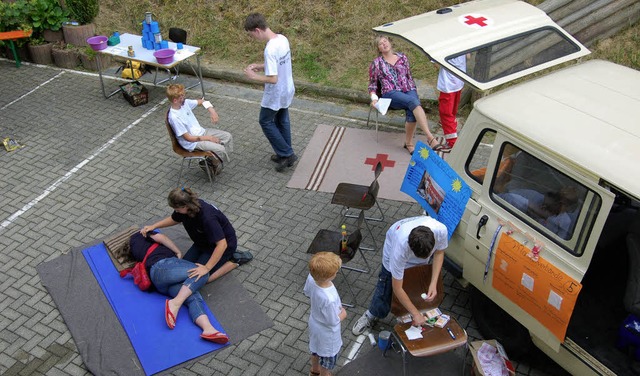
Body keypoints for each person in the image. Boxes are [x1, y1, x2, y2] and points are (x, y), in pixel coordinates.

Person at [127, 230, 229, 343]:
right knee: (203, 272)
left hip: (159, 283)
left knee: (192, 296)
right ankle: (175, 303)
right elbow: (161, 237)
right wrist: (178, 252)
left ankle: (208, 329)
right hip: (162, 266)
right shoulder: (138, 236)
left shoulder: (134, 251)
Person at [352, 215, 448, 335]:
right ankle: (371, 315)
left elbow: (439, 253)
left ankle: (410, 311)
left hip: (412, 245)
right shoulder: (400, 248)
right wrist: (416, 315)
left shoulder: (441, 230)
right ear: (410, 248)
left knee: (417, 283)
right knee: (385, 287)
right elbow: (397, 288)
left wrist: (433, 283)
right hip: (392, 250)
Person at [141, 188, 251, 284]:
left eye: (177, 210)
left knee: (201, 278)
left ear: (185, 206)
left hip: (223, 246)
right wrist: (154, 226)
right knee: (184, 269)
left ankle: (234, 260)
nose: (176, 212)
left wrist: (206, 268)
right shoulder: (187, 208)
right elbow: (174, 219)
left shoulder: (207, 218)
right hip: (202, 243)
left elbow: (222, 244)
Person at [368, 35, 444, 155]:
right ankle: (430, 138)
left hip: (408, 89)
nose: (384, 44)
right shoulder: (377, 63)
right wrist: (374, 98)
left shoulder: (403, 57)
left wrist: (412, 91)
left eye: (385, 41)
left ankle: (408, 144)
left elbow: (409, 77)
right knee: (413, 102)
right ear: (379, 49)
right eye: (380, 44)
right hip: (391, 92)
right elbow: (372, 85)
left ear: (389, 42)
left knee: (412, 106)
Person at [243, 13, 297, 172]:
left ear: (257, 30)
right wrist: (261, 66)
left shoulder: (270, 49)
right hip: (287, 89)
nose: (253, 38)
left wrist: (254, 76)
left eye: (252, 35)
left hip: (276, 93)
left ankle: (287, 153)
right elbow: (278, 64)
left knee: (265, 121)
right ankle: (285, 154)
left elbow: (273, 78)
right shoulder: (282, 39)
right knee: (282, 120)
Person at [166, 84, 233, 175]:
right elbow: (188, 138)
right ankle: (212, 162)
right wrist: (209, 138)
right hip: (193, 143)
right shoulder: (174, 118)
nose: (184, 97)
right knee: (220, 149)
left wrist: (212, 111)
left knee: (227, 136)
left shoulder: (184, 103)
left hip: (202, 132)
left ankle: (211, 161)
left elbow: (202, 101)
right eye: (181, 96)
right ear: (175, 100)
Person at [304, 252, 347, 376]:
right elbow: (332, 320)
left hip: (314, 322)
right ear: (329, 276)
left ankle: (314, 370)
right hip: (327, 332)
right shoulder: (328, 299)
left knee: (315, 350)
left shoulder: (311, 278)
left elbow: (307, 292)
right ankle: (324, 374)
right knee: (327, 359)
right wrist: (343, 314)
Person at [436, 54, 467, 148]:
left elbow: (436, 63)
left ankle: (452, 142)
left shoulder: (442, 45)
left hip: (448, 84)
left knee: (446, 113)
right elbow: (468, 56)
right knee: (453, 111)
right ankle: (453, 130)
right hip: (459, 80)